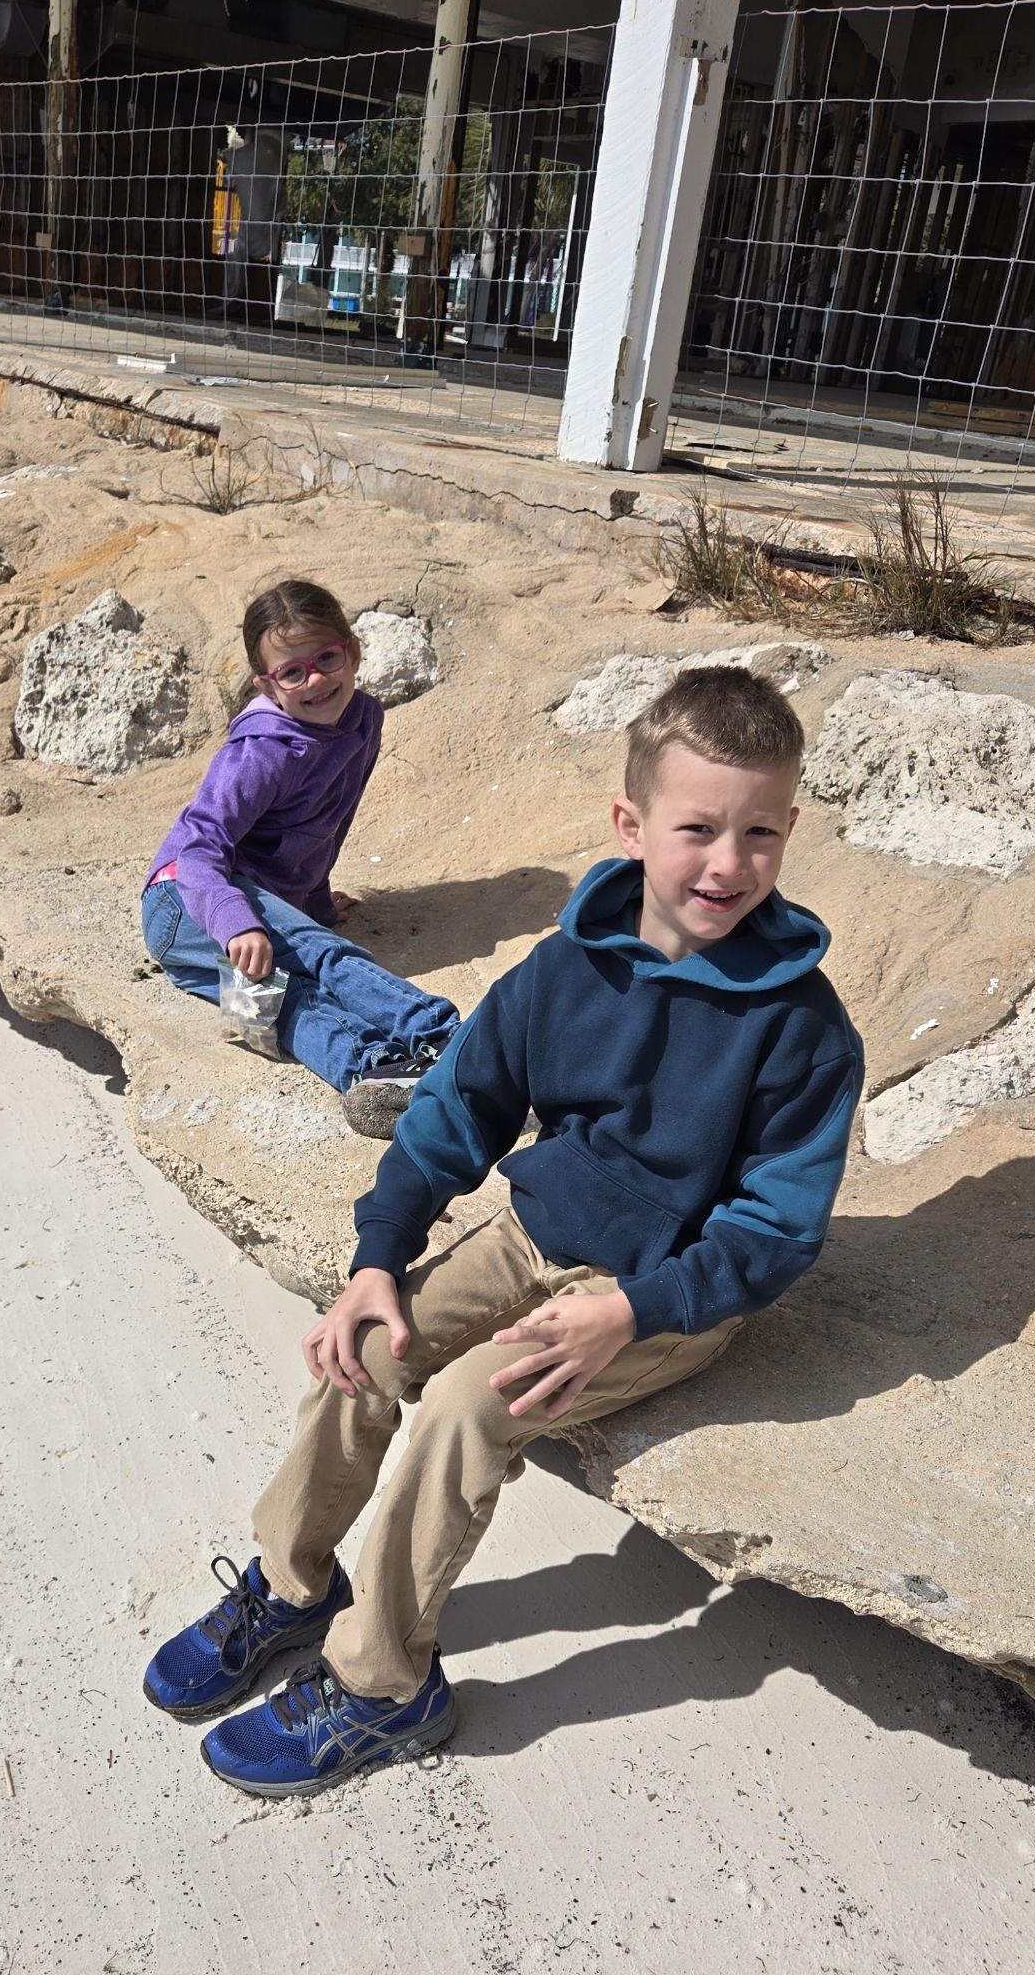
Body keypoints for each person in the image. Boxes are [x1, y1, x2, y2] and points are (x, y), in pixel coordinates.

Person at [143, 664, 865, 1798]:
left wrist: (632, 1309)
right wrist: (378, 1255)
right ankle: (294, 1588)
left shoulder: (805, 1031)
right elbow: (458, 1110)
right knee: (363, 1352)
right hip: (532, 1236)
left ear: (789, 827)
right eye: (698, 829)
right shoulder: (562, 969)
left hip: (663, 1291)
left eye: (761, 832)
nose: (730, 863)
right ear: (631, 824)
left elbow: (775, 1231)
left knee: (469, 1409)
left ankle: (385, 1685)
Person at [142, 579, 460, 1140]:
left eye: (327, 658)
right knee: (323, 955)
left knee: (275, 1003)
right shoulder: (260, 752)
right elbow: (198, 846)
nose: (314, 679)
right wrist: (240, 920)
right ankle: (444, 1034)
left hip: (219, 921)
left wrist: (309, 903)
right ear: (268, 683)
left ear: (352, 652)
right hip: (184, 902)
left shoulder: (362, 720)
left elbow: (324, 825)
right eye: (292, 672)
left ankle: (373, 1074)